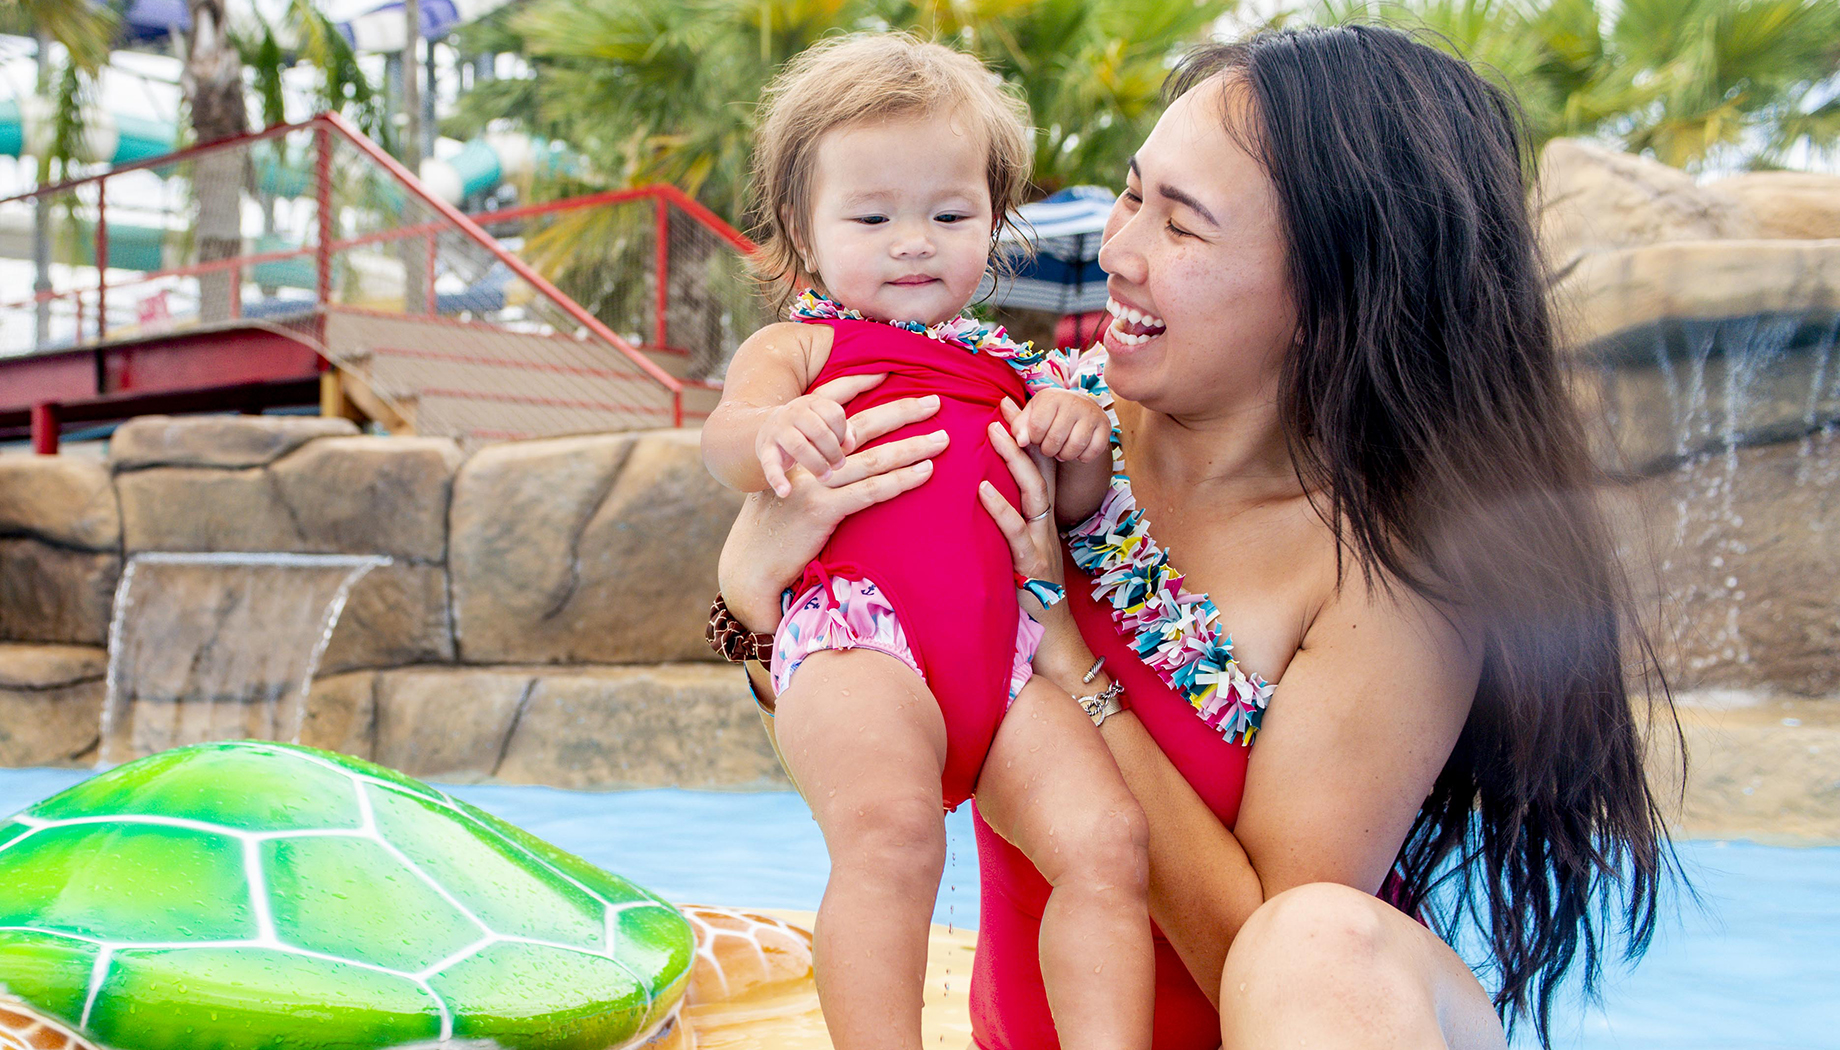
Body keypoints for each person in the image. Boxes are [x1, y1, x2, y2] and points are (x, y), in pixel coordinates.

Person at [708, 23, 1680, 1050]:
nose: (1117, 253)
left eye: (1182, 227)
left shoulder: (1392, 579)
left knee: (1313, 940)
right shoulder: (1038, 422)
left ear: (1329, 290)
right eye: (1132, 195)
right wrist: (748, 601)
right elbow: (873, 729)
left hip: (1322, 1016)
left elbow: (1262, 958)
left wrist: (1076, 660)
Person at [699, 33, 1155, 1050]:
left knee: (1108, 842)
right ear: (802, 233)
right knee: (892, 838)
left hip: (1004, 660)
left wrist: (1076, 444)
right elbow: (725, 439)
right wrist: (773, 431)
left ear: (992, 222)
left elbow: (1068, 511)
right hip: (861, 639)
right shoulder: (804, 345)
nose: (913, 240)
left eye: (949, 214)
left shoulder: (1015, 367)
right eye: (872, 216)